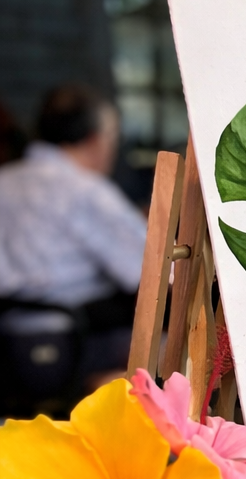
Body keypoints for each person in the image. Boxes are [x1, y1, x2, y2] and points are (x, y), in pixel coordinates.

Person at [0, 84, 147, 336]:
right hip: (72, 341)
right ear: (93, 140)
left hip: (8, 340)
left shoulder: (5, 180)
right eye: (112, 136)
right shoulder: (84, 190)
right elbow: (150, 268)